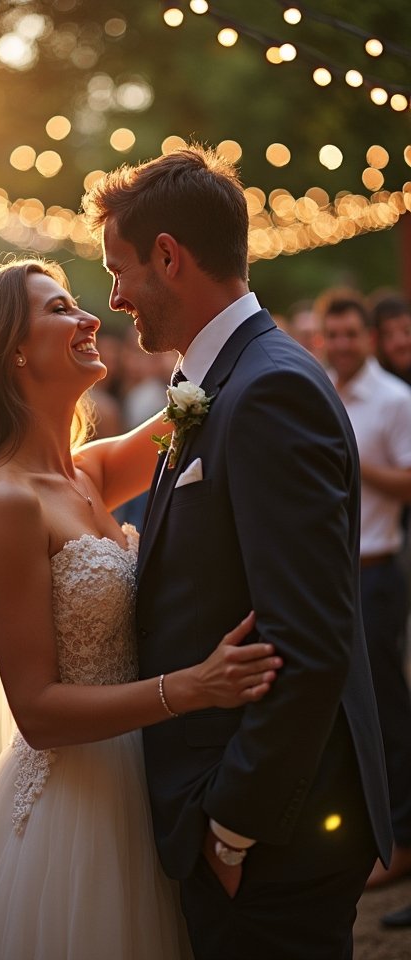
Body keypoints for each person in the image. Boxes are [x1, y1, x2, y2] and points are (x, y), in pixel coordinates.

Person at [0, 258, 283, 959]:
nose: (90, 318)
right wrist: (191, 688)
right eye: (60, 308)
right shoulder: (7, 501)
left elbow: (203, 399)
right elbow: (38, 713)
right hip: (76, 806)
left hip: (145, 774)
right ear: (14, 351)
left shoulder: (89, 472)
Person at [82, 145, 392, 960]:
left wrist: (231, 828)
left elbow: (311, 638)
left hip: (273, 829)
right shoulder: (219, 380)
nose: (114, 299)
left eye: (118, 271)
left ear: (168, 256)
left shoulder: (267, 390)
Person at [319, 291, 411, 927]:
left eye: (352, 334)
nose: (342, 344)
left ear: (368, 339)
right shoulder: (318, 389)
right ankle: (358, 828)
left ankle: (401, 841)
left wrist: (355, 462)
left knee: (386, 708)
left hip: (377, 574)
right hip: (330, 577)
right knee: (341, 707)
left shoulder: (395, 401)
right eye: (333, 335)